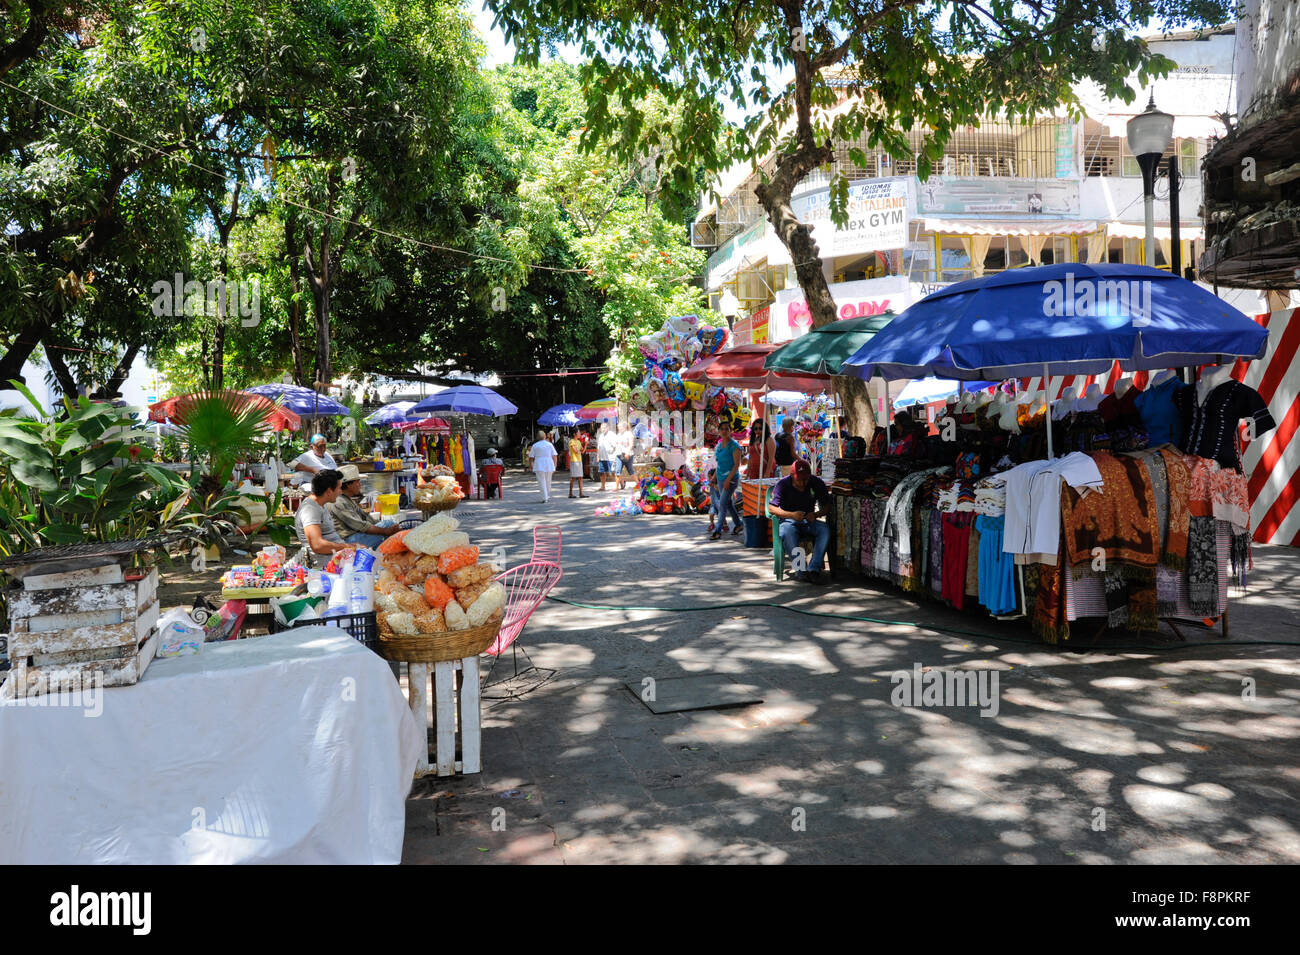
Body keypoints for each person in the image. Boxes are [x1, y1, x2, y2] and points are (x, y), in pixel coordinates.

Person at [768, 458, 832, 583]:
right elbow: (771, 508)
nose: (803, 483)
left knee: (824, 530)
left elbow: (827, 505)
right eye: (799, 480)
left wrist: (816, 514)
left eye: (806, 479)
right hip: (788, 521)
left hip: (809, 520)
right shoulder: (783, 484)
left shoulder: (816, 482)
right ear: (792, 476)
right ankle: (801, 569)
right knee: (787, 532)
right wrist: (791, 515)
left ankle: (814, 569)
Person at [327, 465, 401, 549]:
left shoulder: (347, 499)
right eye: (357, 482)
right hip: (349, 539)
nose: (360, 485)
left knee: (389, 524)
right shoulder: (338, 501)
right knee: (389, 526)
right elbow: (360, 525)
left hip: (358, 535)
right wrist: (385, 531)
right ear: (348, 484)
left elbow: (366, 517)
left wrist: (382, 526)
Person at [294, 469, 353, 566]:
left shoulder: (321, 504)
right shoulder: (310, 509)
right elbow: (317, 545)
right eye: (339, 488)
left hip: (338, 556)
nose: (340, 492)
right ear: (329, 491)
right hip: (327, 564)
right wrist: (347, 546)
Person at [709, 421, 745, 540]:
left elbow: (736, 465)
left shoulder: (734, 446)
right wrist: (713, 478)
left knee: (723, 504)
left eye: (727, 429)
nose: (724, 431)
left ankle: (717, 530)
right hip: (720, 478)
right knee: (728, 503)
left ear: (730, 431)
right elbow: (719, 465)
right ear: (719, 431)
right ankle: (739, 524)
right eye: (722, 429)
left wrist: (728, 480)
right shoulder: (719, 446)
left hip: (731, 479)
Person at [528, 429, 557, 502]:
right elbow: (554, 456)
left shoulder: (535, 445)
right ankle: (547, 495)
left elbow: (531, 458)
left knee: (541, 481)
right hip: (549, 463)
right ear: (545, 436)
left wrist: (531, 466)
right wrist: (555, 466)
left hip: (539, 464)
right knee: (548, 481)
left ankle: (545, 497)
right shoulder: (549, 444)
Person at [595, 423, 617, 492]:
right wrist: (598, 456)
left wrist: (616, 457)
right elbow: (598, 447)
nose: (603, 429)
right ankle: (603, 486)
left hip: (611, 457)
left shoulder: (612, 435)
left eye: (604, 428)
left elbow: (616, 447)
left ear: (608, 428)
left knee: (613, 472)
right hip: (602, 457)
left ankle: (620, 483)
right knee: (602, 472)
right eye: (601, 428)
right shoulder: (601, 436)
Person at [614, 421, 635, 490]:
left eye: (620, 427)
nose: (619, 428)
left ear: (624, 427)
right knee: (617, 471)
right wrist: (614, 456)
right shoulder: (618, 435)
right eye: (618, 427)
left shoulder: (629, 434)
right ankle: (616, 487)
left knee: (630, 470)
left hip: (627, 454)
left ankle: (638, 484)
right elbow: (617, 445)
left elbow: (631, 445)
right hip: (619, 454)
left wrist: (627, 452)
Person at [567, 429, 587, 498]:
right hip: (574, 461)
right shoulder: (571, 441)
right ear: (574, 434)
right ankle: (570, 493)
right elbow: (576, 451)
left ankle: (581, 493)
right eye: (578, 433)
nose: (579, 434)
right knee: (573, 478)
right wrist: (581, 448)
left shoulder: (578, 441)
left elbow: (582, 451)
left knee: (580, 477)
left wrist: (586, 445)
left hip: (579, 460)